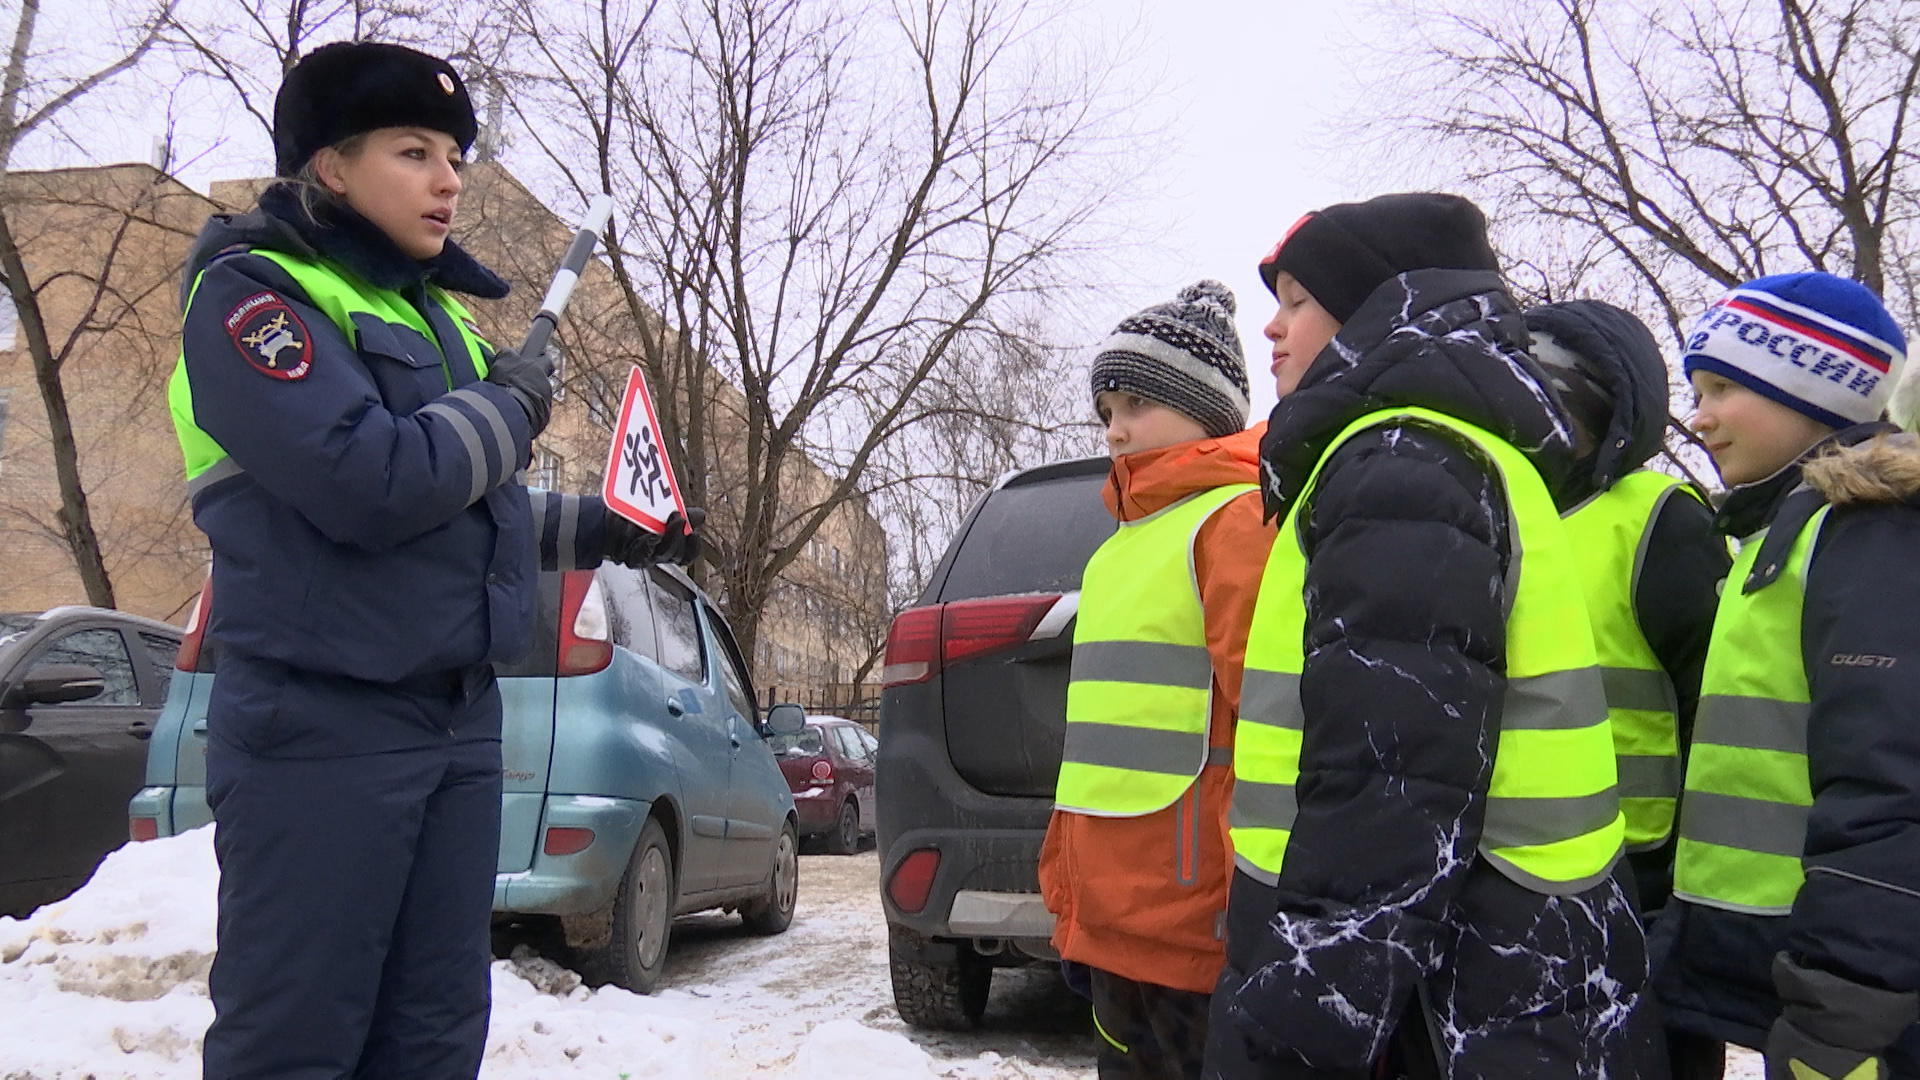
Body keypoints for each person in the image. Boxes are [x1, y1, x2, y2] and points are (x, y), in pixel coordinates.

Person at [168, 42, 698, 1079]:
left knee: (433, 1033)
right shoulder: (251, 300)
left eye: (454, 154)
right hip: (321, 730)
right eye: (415, 151)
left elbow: (470, 511)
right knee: (300, 1041)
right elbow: (370, 484)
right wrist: (510, 406)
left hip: (455, 727)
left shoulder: (438, 317)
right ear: (330, 165)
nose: (449, 178)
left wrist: (601, 527)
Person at [1205, 193, 1664, 1078]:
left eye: (1297, 300)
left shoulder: (1399, 463)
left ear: (1382, 306)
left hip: (1447, 999)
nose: (1270, 327)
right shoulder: (1455, 448)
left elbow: (1390, 800)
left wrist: (1293, 1032)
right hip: (1516, 977)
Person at [1652, 272, 1920, 1080]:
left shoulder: (1870, 536)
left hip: (1861, 1006)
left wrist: (1847, 1008)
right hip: (1800, 978)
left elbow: (1890, 785)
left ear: (1812, 386)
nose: (1698, 417)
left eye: (1724, 386)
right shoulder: (1781, 533)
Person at [1039, 280, 1274, 1079]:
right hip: (1112, 914)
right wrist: (1069, 894)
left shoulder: (1233, 522)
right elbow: (1100, 748)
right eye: (1106, 410)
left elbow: (1269, 721)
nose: (1115, 430)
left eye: (1136, 402)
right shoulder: (1115, 549)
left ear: (1206, 411)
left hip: (1190, 917)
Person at [1525, 300, 1730, 915]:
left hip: (1635, 880)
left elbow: (1716, 713)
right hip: (1508, 866)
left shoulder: (1659, 518)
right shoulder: (1498, 507)